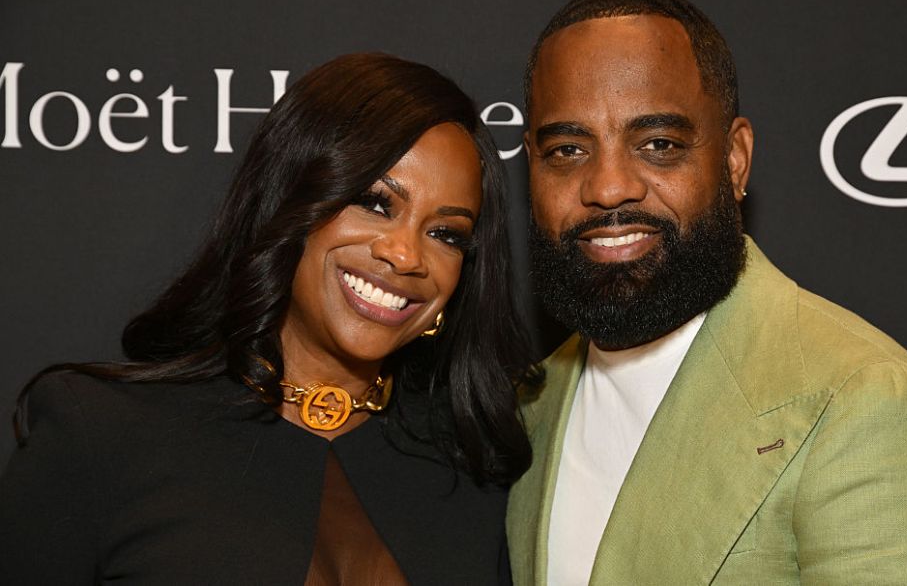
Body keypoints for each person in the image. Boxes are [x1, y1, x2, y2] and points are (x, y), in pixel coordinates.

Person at [507, 0, 907, 585]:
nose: (608, 187)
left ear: (734, 161)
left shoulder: (866, 408)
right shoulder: (530, 403)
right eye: (568, 150)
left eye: (658, 145)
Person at [0, 53, 535, 585]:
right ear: (288, 203)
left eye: (446, 234)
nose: (406, 255)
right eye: (374, 202)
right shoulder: (100, 435)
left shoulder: (479, 469)